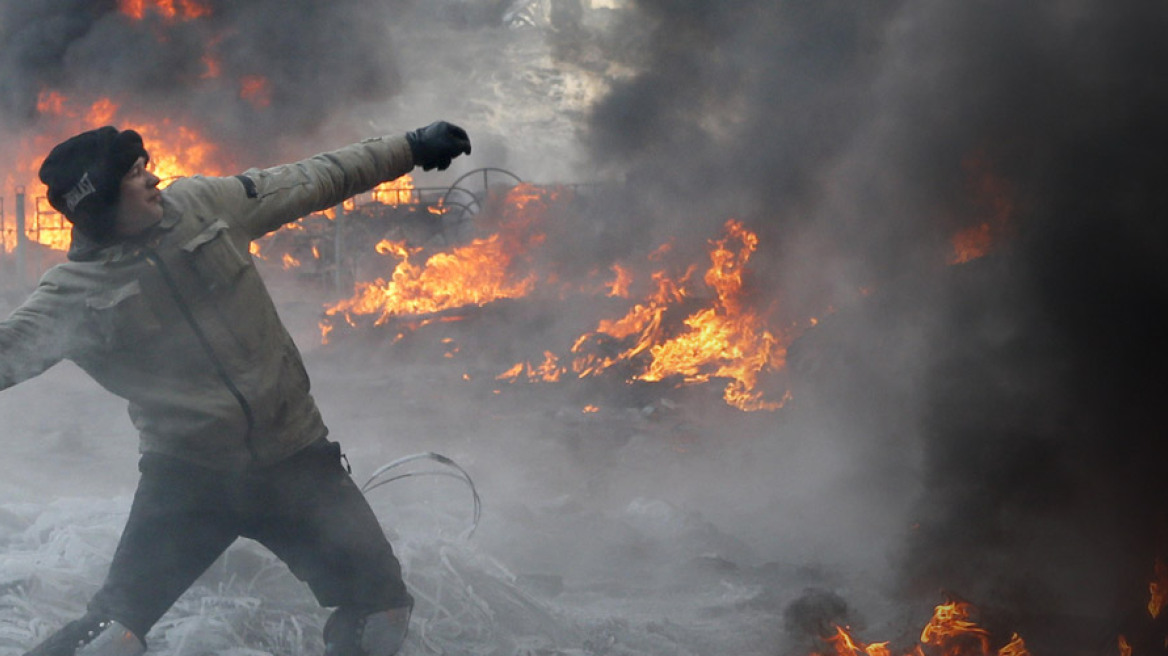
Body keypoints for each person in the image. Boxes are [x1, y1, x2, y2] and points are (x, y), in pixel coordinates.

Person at [0, 120, 472, 656]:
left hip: (297, 461)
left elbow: (313, 178)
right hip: (188, 481)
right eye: (135, 174)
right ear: (100, 200)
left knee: (381, 611)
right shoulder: (70, 295)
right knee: (111, 636)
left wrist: (408, 149)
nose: (154, 178)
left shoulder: (206, 204)